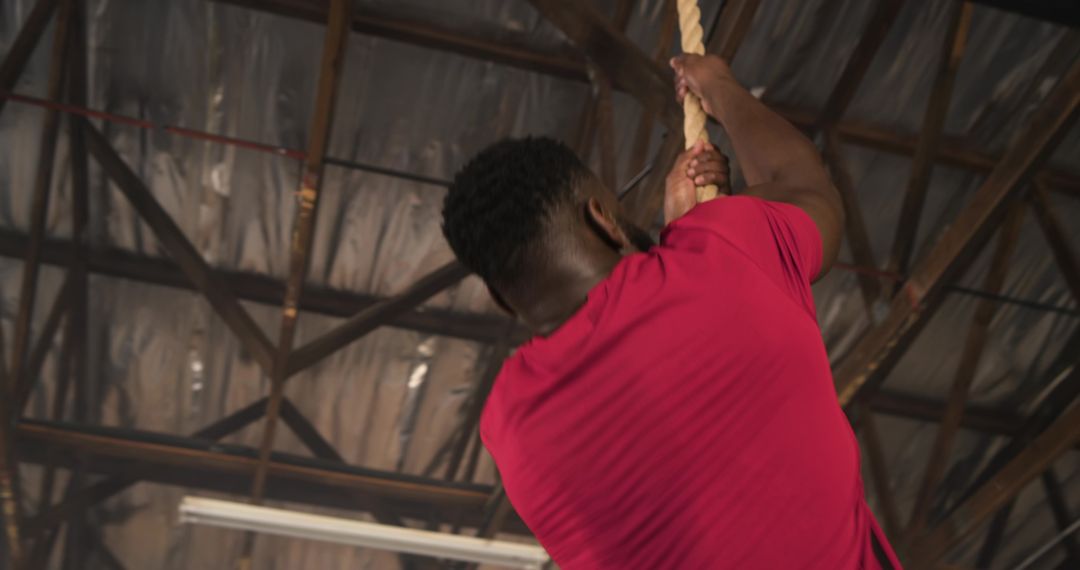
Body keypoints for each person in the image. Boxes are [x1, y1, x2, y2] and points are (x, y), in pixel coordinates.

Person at [440, 54, 901, 569]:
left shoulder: (509, 429)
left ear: (503, 301)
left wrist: (693, 240)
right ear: (603, 219)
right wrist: (720, 87)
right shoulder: (726, 253)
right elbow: (803, 185)